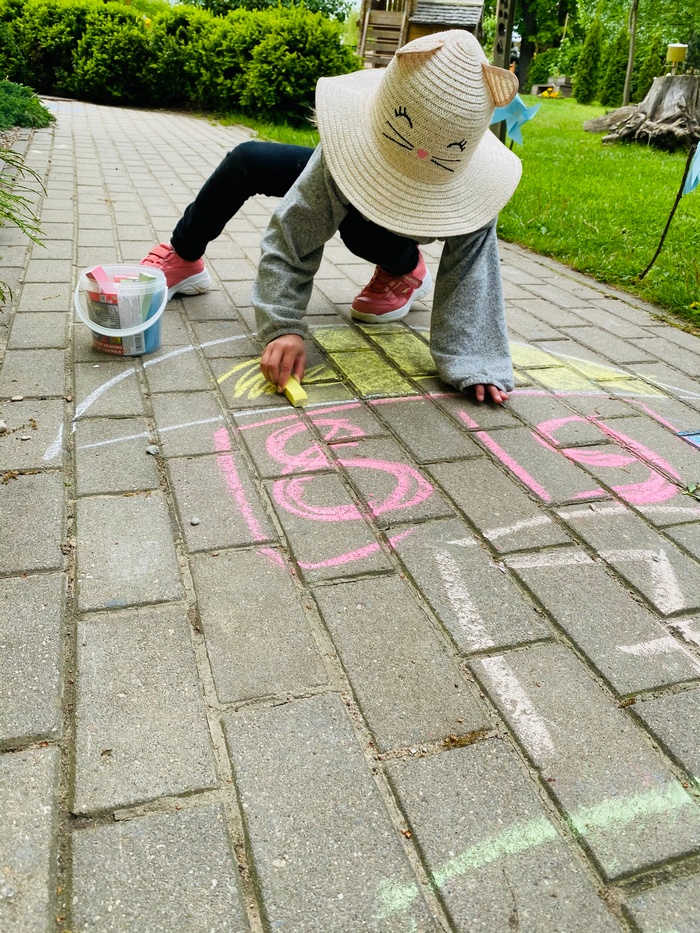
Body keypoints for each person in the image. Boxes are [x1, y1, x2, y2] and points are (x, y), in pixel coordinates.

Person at [141, 30, 522, 404]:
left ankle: (404, 269)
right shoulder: (346, 154)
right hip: (374, 154)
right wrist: (282, 325)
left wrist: (476, 362)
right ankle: (184, 257)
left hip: (391, 230)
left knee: (360, 228)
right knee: (249, 160)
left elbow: (473, 276)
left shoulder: (476, 189)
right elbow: (292, 235)